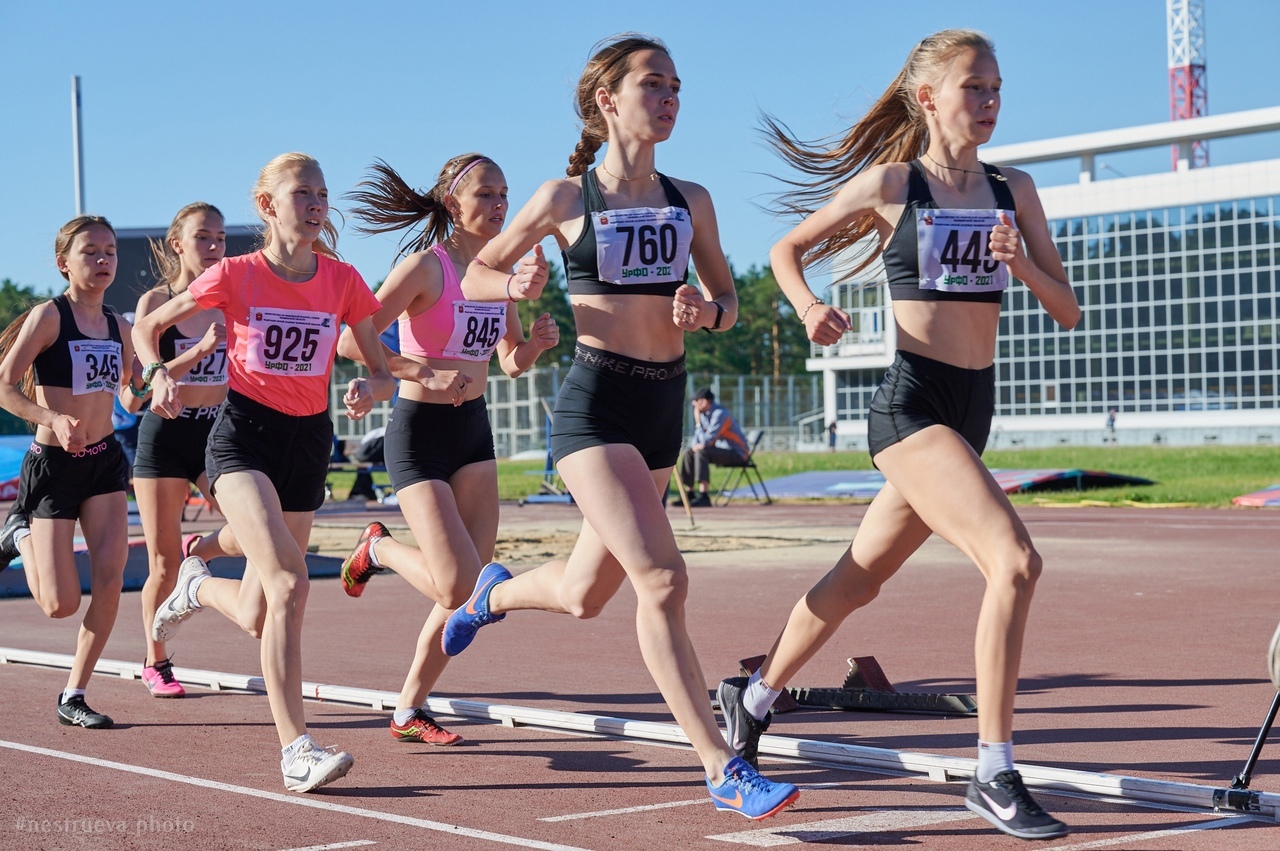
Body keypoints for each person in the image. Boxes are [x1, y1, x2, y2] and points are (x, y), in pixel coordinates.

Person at [720, 30, 1081, 840]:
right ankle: (994, 770)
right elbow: (787, 248)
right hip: (910, 406)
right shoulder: (894, 183)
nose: (989, 103)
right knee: (1015, 559)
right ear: (928, 98)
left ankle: (751, 698)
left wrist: (1020, 263)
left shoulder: (1012, 189)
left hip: (971, 409)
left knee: (857, 580)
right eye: (973, 89)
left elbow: (1068, 307)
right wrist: (810, 307)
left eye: (996, 89)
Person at [444, 34, 799, 820]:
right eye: (653, 85)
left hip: (661, 408)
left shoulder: (691, 199)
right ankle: (720, 765)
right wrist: (516, 276)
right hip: (594, 407)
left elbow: (727, 298)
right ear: (607, 101)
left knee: (582, 591)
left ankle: (489, 594)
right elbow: (474, 273)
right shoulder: (566, 200)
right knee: (664, 580)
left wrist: (710, 310)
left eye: (677, 86)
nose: (669, 98)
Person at [135, 153, 397, 793]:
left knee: (258, 610)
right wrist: (157, 371)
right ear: (267, 205)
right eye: (301, 192)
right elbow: (147, 326)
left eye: (322, 194)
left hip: (307, 444)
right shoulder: (236, 274)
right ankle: (296, 750)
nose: (315, 203)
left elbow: (383, 366)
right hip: (243, 438)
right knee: (288, 584)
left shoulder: (342, 280)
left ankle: (196, 585)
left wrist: (372, 383)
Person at [336, 154, 558, 746]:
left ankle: (410, 706)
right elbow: (352, 339)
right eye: (485, 194)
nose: (499, 206)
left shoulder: (498, 272)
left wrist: (534, 345)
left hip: (474, 434)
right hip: (419, 433)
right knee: (460, 585)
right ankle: (378, 550)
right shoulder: (425, 268)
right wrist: (422, 371)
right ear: (452, 203)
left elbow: (507, 363)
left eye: (505, 195)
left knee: (470, 588)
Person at [0, 215, 140, 729]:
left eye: (109, 251)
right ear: (65, 263)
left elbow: (130, 391)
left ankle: (74, 694)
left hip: (103, 463)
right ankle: (18, 536)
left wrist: (159, 384)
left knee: (109, 581)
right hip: (53, 467)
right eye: (90, 252)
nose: (103, 260)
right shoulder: (49, 318)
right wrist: (52, 418)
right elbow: (5, 386)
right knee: (59, 605)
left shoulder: (119, 325)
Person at [128, 202, 228, 698]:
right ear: (178, 244)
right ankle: (156, 660)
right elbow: (132, 395)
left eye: (220, 239)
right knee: (163, 565)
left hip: (216, 436)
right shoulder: (156, 304)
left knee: (254, 529)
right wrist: (195, 353)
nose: (213, 247)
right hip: (165, 440)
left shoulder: (233, 298)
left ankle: (200, 550)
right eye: (203, 238)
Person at [679, 386, 747, 507]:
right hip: (719, 451)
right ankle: (689, 494)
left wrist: (698, 422)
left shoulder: (720, 414)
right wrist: (694, 446)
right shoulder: (704, 415)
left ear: (704, 402)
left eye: (696, 401)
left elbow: (707, 442)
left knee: (702, 452)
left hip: (737, 453)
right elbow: (697, 441)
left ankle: (704, 495)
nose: (693, 405)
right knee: (689, 452)